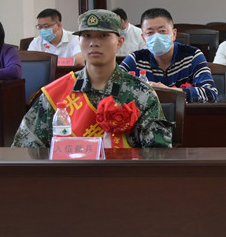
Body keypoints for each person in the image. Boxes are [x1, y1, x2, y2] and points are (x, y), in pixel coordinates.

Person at [13, 9, 172, 148]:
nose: (94, 43)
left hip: (122, 172)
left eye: (104, 36)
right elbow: (26, 147)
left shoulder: (141, 93)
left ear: (119, 42)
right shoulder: (57, 92)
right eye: (87, 36)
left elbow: (157, 154)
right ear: (79, 41)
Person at [120, 8, 218, 103]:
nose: (156, 37)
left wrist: (168, 91)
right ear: (143, 38)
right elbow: (113, 88)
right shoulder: (135, 60)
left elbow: (211, 94)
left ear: (174, 34)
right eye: (150, 32)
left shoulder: (192, 56)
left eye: (162, 31)